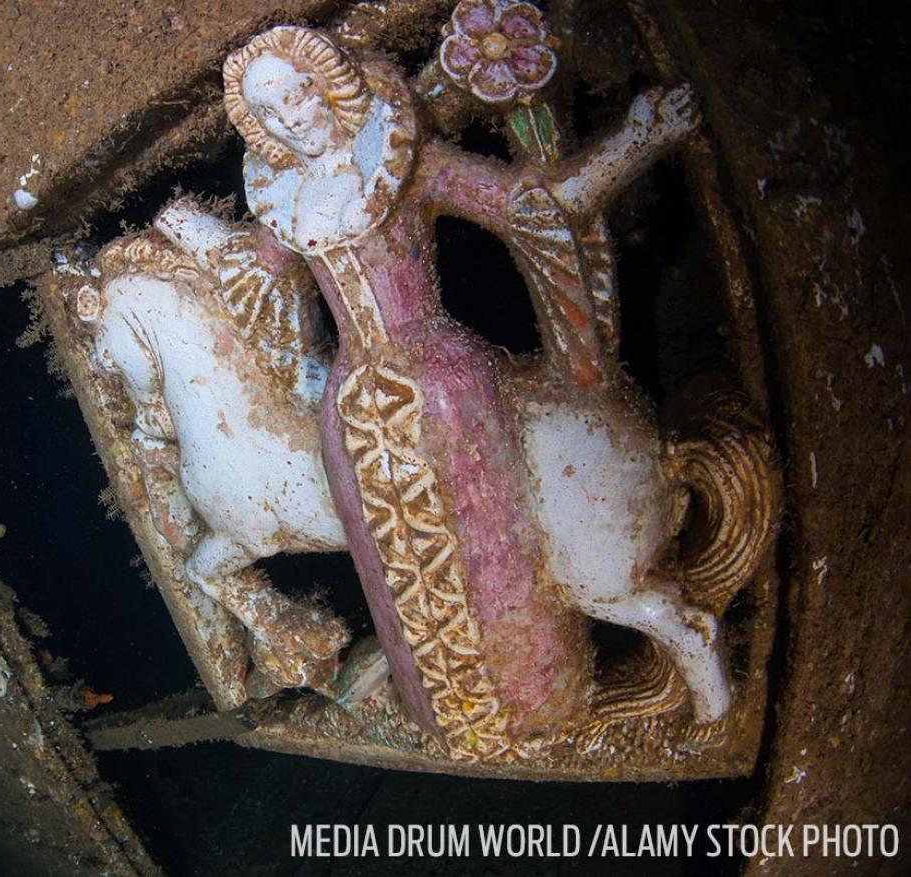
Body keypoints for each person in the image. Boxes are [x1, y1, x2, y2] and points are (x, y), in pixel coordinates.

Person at [222, 25, 703, 759]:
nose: (292, 117)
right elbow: (249, 274)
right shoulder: (287, 204)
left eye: (297, 94)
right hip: (352, 411)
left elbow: (532, 204)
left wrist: (637, 141)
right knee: (389, 564)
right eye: (272, 111)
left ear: (330, 86)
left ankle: (539, 706)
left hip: (448, 387)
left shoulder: (402, 164)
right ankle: (446, 716)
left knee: (495, 549)